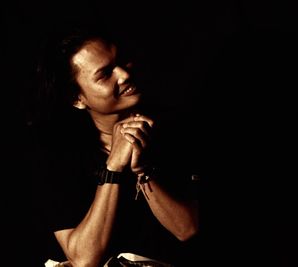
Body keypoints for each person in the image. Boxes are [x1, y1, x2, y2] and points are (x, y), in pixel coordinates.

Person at [29, 21, 200, 267]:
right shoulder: (57, 155)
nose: (125, 74)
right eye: (105, 74)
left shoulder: (177, 131)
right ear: (76, 98)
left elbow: (187, 229)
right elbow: (85, 260)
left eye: (122, 61)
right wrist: (113, 167)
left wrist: (143, 170)